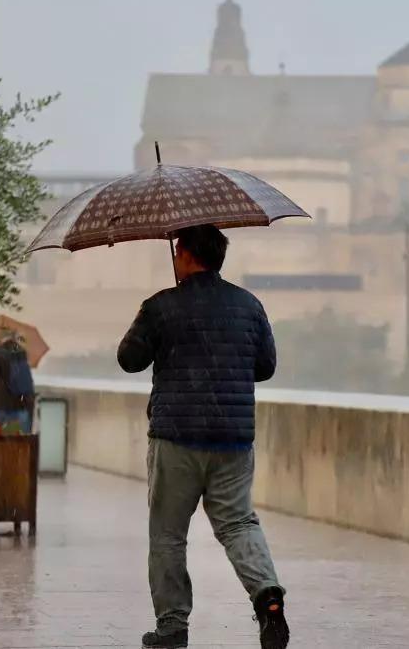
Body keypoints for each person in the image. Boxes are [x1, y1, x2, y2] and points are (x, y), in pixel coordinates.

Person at [118, 225, 288, 649]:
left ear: (186, 253)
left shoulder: (161, 307)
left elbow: (128, 359)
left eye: (178, 251)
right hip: (232, 439)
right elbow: (265, 366)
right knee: (237, 524)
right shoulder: (249, 305)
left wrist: (155, 322)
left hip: (176, 437)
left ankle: (173, 627)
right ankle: (267, 595)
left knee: (169, 535)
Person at [0, 334, 34, 433]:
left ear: (2, 341)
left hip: (0, 404)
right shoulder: (22, 355)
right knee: (18, 438)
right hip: (20, 403)